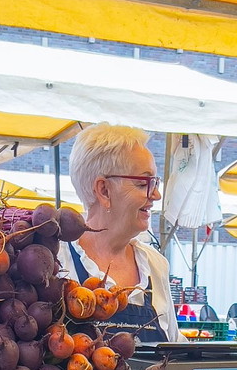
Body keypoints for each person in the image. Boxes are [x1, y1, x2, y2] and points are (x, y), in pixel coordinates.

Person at [62, 123, 182, 344]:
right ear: (104, 190)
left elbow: (174, 352)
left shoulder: (156, 265)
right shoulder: (58, 261)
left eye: (156, 182)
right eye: (143, 183)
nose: (155, 194)